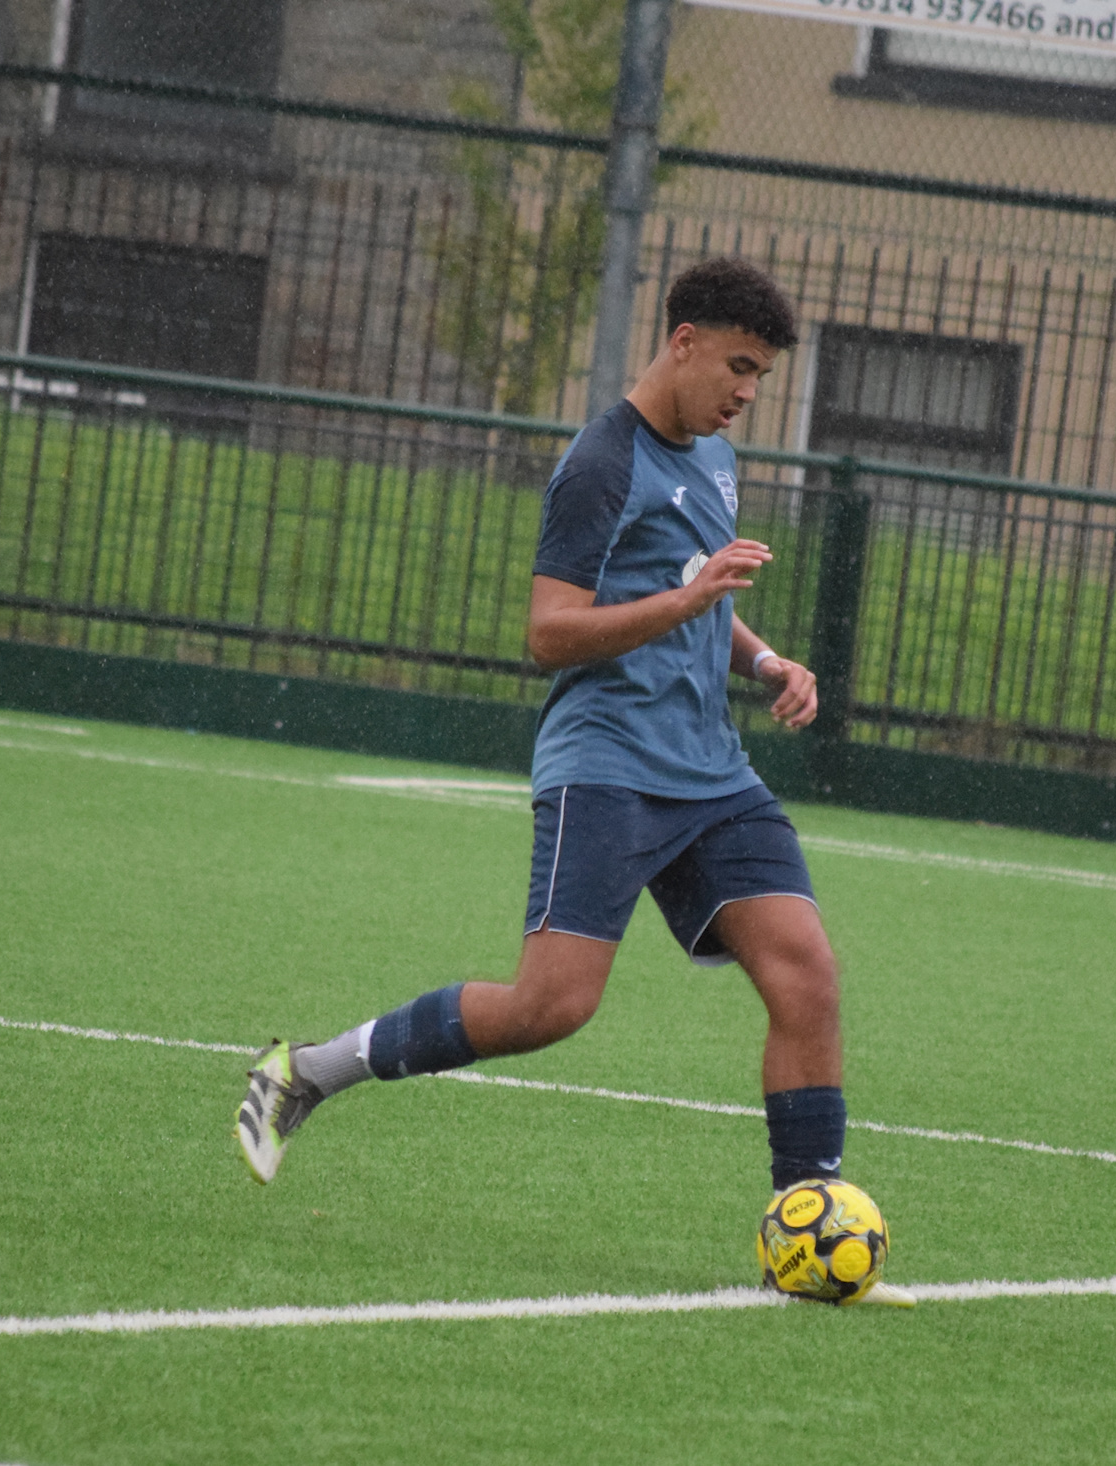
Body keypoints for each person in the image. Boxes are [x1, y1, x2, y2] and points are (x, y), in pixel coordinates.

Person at [232, 259, 912, 1306]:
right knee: (550, 1006)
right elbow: (550, 632)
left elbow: (695, 593)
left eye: (759, 377)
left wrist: (763, 657)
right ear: (681, 341)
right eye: (735, 366)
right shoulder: (601, 463)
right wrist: (692, 606)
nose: (744, 392)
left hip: (710, 769)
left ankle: (808, 1224)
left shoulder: (716, 456)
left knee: (806, 972)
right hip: (608, 765)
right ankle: (309, 1071)